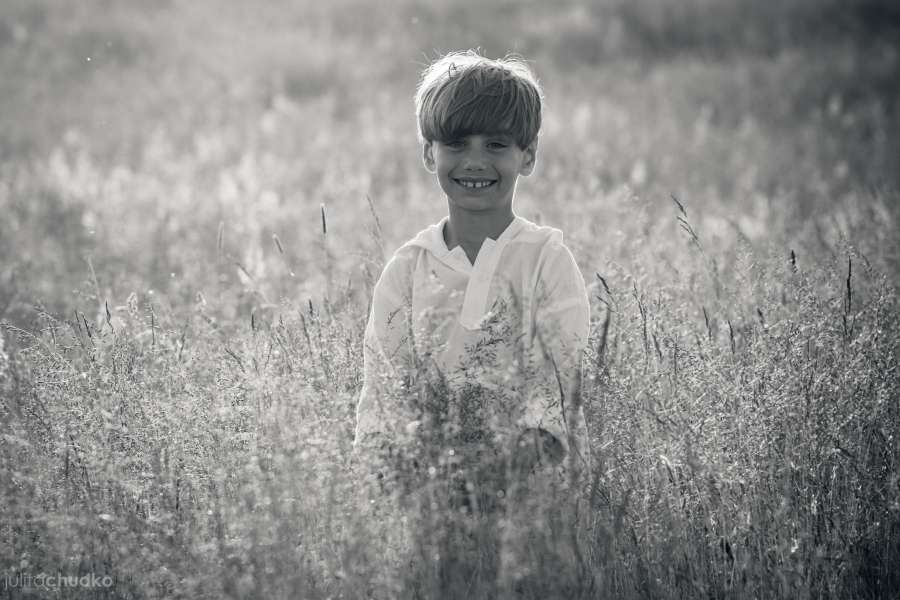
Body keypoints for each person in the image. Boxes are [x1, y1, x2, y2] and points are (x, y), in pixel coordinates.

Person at [352, 49, 591, 599]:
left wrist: (498, 475)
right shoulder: (407, 268)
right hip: (425, 503)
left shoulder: (545, 259)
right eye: (456, 144)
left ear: (527, 156)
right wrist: (400, 472)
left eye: (497, 145)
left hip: (527, 504)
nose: (475, 161)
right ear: (428, 153)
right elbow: (382, 389)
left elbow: (564, 384)